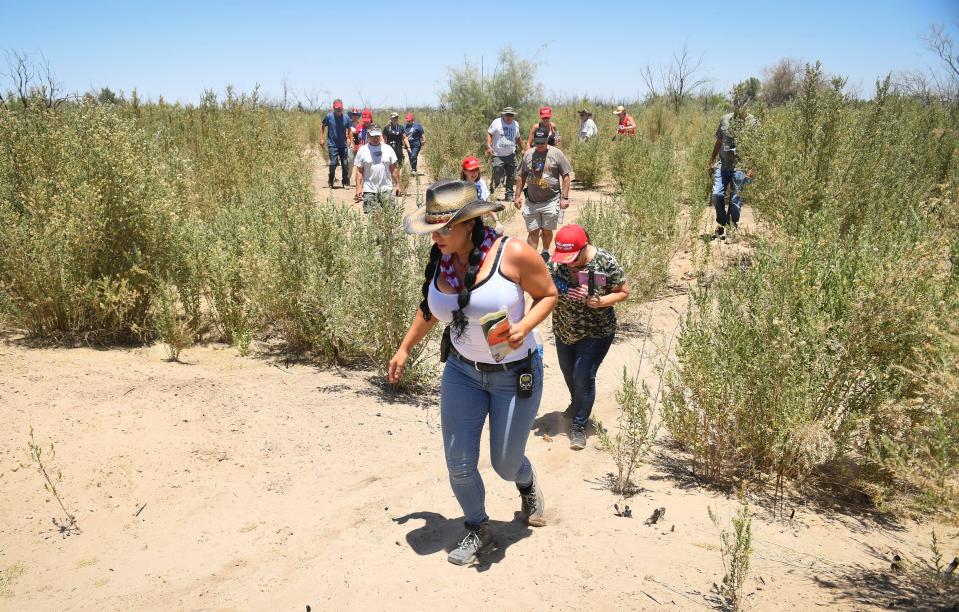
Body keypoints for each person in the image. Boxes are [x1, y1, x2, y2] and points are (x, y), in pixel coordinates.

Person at [389, 179, 557, 566]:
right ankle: (478, 527)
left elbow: (548, 294)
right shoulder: (442, 259)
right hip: (463, 373)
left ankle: (526, 483)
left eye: (446, 228)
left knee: (504, 463)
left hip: (514, 374)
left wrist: (524, 326)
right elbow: (430, 309)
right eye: (435, 230)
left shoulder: (512, 254)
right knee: (459, 462)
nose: (439, 237)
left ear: (471, 224)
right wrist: (404, 347)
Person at [547, 224, 629, 449]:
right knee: (569, 374)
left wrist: (601, 301)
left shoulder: (605, 262)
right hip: (564, 328)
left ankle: (579, 426)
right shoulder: (555, 263)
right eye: (565, 259)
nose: (568, 263)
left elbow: (623, 291)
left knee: (583, 375)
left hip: (596, 331)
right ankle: (578, 403)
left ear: (585, 248)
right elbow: (545, 285)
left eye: (572, 258)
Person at [515, 127, 572, 257]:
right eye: (537, 142)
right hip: (532, 201)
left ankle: (545, 252)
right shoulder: (528, 154)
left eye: (542, 142)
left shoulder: (556, 154)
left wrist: (565, 197)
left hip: (551, 200)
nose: (539, 145)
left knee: (546, 231)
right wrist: (517, 196)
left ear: (547, 140)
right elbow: (521, 176)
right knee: (533, 231)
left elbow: (566, 176)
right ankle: (531, 257)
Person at [707, 93, 757, 238]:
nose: (739, 107)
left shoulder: (753, 122)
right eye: (737, 104)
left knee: (735, 199)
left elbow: (757, 147)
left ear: (747, 106)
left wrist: (752, 167)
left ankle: (732, 226)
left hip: (740, 166)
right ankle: (722, 223)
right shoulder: (725, 119)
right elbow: (718, 141)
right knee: (716, 194)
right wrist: (711, 159)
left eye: (743, 104)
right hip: (722, 165)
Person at [353, 123, 401, 213]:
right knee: (373, 217)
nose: (375, 138)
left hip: (386, 189)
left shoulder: (388, 149)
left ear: (380, 135)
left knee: (389, 215)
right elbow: (359, 171)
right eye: (373, 135)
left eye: (377, 135)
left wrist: (398, 185)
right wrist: (358, 188)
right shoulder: (362, 150)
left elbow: (394, 169)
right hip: (369, 190)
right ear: (368, 135)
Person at [486, 107, 525, 202]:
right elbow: (489, 134)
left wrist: (522, 149)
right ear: (503, 115)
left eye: (511, 115)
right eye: (507, 115)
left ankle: (509, 195)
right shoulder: (497, 122)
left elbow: (518, 138)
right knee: (497, 174)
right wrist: (489, 146)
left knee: (511, 176)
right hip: (498, 154)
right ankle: (492, 190)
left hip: (511, 154)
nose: (509, 117)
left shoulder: (515, 124)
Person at [460, 156, 502, 234]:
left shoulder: (481, 183)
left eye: (476, 169)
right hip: (464, 225)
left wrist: (497, 222)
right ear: (464, 171)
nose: (474, 173)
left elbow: (488, 204)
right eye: (471, 170)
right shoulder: (460, 186)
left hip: (479, 222)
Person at [321, 99, 353, 189]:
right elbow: (322, 126)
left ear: (342, 107)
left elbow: (350, 130)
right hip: (332, 145)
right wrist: (321, 138)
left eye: (340, 108)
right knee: (333, 164)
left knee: (345, 164)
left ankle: (345, 183)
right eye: (337, 108)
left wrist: (350, 141)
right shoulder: (329, 117)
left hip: (343, 145)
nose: (338, 109)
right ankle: (331, 180)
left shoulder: (346, 118)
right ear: (333, 108)